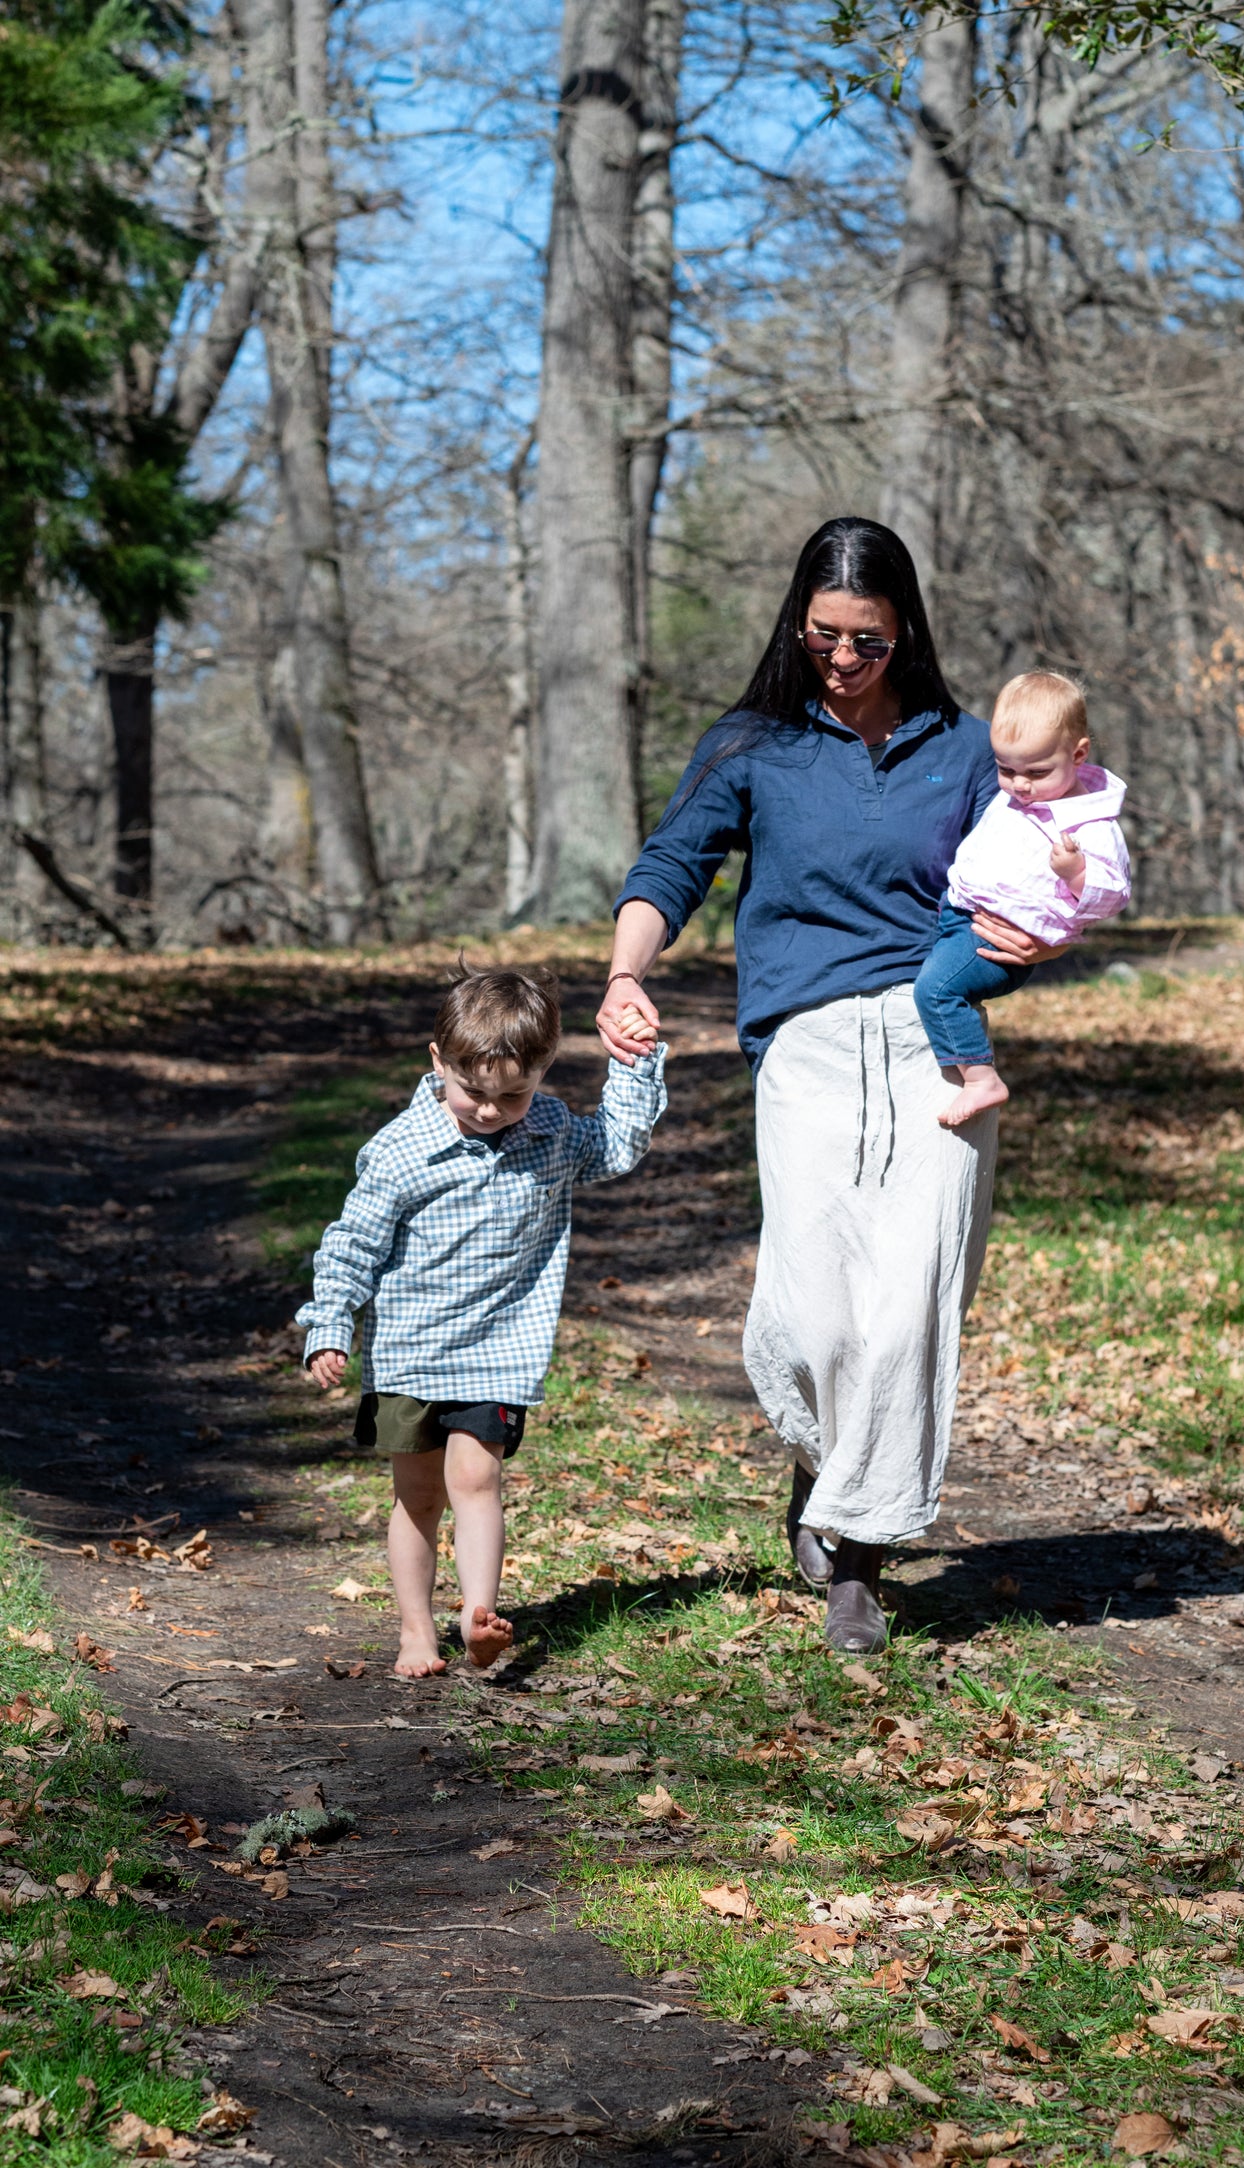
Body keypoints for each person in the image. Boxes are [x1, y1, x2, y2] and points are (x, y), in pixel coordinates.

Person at [597, 516, 1064, 1654]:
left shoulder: (964, 749)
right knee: (813, 1310)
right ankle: (820, 1460)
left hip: (929, 1046)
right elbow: (672, 865)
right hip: (801, 1046)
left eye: (865, 636)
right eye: (822, 634)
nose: (842, 658)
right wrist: (623, 974)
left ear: (902, 628)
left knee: (905, 1302)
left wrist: (1040, 933)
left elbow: (1029, 877)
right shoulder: (752, 741)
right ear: (795, 624)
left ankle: (855, 1553)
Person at [299, 963, 667, 1678]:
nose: (493, 1110)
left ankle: (477, 1616)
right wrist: (330, 1322)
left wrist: (635, 1062)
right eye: (474, 1092)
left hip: (499, 1350)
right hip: (409, 1352)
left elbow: (619, 1146)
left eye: (514, 1094)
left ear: (543, 1069)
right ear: (438, 1062)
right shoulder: (402, 1150)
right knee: (419, 1497)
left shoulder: (552, 1132)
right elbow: (352, 1244)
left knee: (475, 1479)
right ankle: (414, 1632)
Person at [914, 669, 1130, 1128]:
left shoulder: (1089, 823)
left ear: (1078, 754)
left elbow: (1114, 893)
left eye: (1036, 771)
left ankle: (980, 1077)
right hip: (960, 915)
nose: (1019, 784)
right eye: (1005, 769)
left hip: (1002, 939)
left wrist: (1076, 872)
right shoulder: (1018, 797)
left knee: (935, 989)